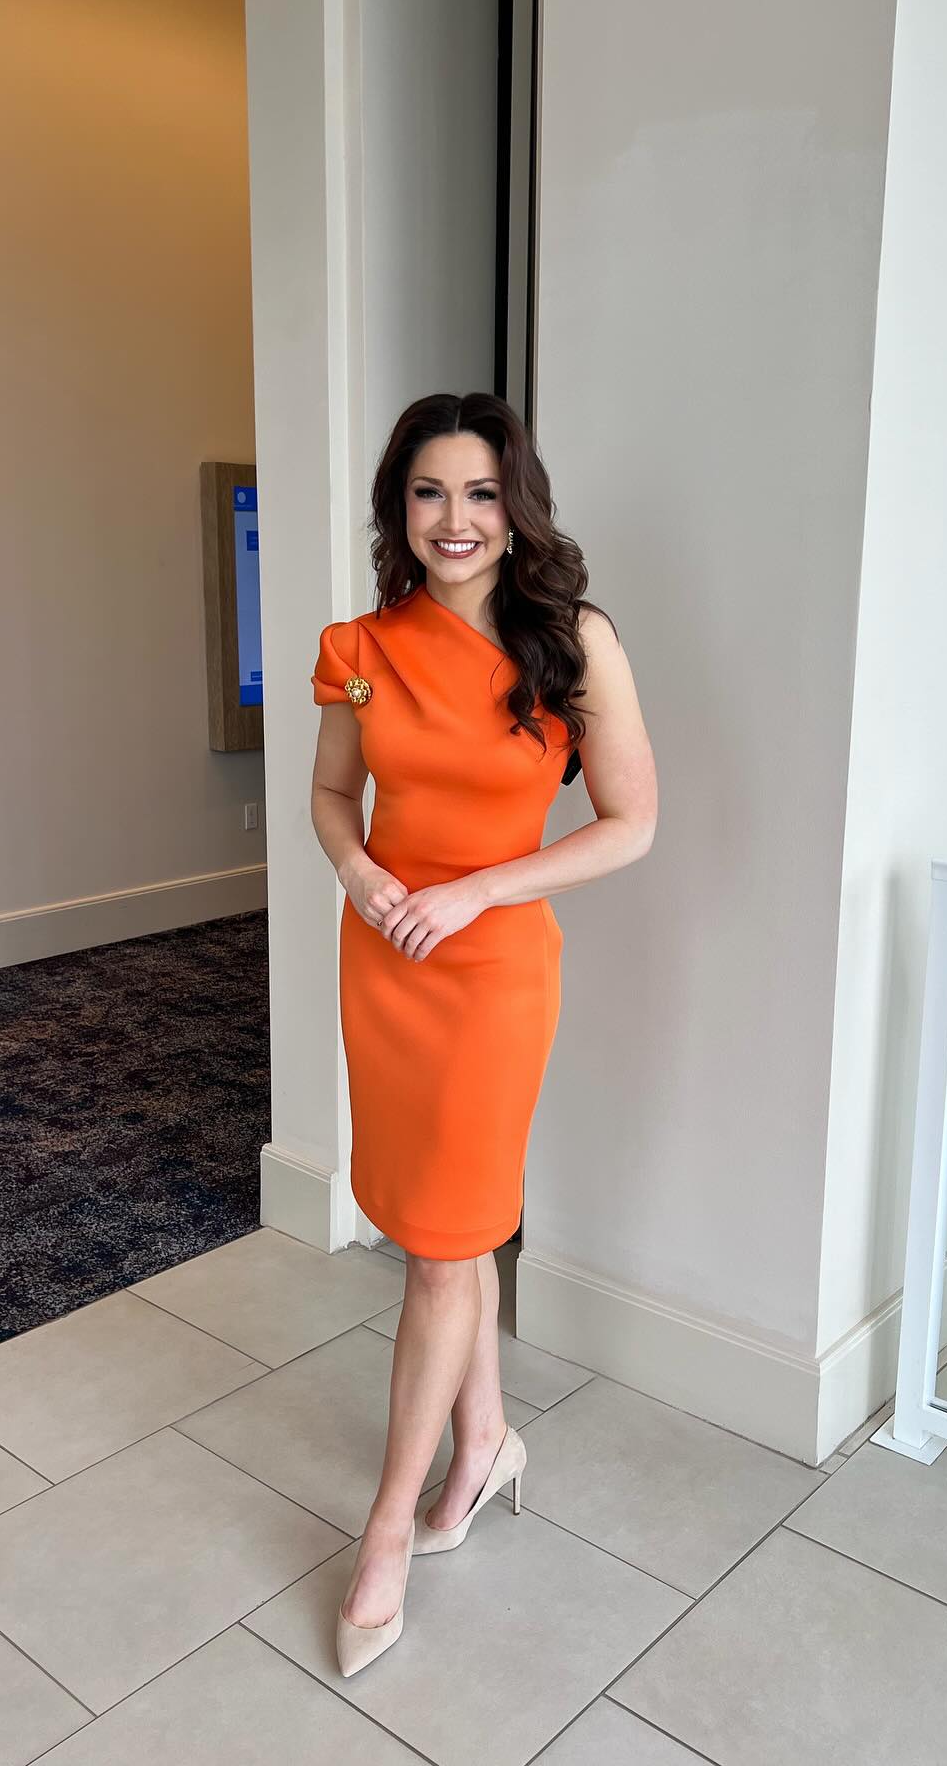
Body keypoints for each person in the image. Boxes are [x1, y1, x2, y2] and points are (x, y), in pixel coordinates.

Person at [309, 391, 657, 1676]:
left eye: (480, 492)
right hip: (385, 960)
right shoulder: (359, 648)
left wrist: (477, 890)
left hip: (494, 970)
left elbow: (629, 823)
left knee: (446, 1247)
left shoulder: (574, 642)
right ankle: (489, 1440)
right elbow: (333, 793)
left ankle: (385, 1532)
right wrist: (361, 873)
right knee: (439, 1231)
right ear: (399, 509)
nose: (453, 519)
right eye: (428, 493)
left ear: (517, 508)